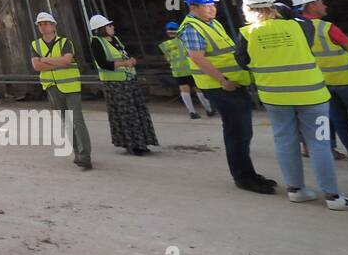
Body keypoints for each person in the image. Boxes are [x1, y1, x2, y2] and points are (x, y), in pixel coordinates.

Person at [237, 0, 348, 209]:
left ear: (247, 10)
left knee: (285, 141)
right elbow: (307, 38)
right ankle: (333, 197)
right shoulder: (300, 26)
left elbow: (242, 61)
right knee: (320, 144)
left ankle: (296, 190)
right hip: (312, 96)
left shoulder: (246, 34)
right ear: (274, 5)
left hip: (275, 98)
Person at [178, 0, 276, 194]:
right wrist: (223, 80)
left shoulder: (211, 24)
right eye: (207, 5)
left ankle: (248, 173)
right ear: (192, 7)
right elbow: (197, 57)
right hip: (221, 87)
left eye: (213, 4)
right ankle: (243, 177)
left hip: (232, 84)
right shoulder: (192, 28)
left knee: (243, 132)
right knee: (237, 133)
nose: (212, 9)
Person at [291, 0, 348, 174]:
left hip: (324, 84)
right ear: (311, 6)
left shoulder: (297, 30)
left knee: (340, 122)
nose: (324, 5)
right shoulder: (326, 27)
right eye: (320, 2)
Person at [89, 14, 159, 155]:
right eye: (109, 25)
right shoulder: (96, 42)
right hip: (115, 84)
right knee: (126, 113)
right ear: (101, 28)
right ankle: (133, 144)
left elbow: (122, 54)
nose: (112, 27)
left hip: (128, 80)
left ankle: (142, 141)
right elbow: (102, 63)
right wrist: (124, 63)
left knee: (137, 111)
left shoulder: (115, 40)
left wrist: (130, 60)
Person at [29, 11, 91, 170]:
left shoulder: (65, 42)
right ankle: (77, 153)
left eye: (46, 23)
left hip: (70, 86)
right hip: (52, 88)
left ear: (54, 25)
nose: (43, 26)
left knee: (77, 120)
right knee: (67, 122)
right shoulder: (35, 45)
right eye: (40, 24)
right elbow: (37, 66)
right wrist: (57, 63)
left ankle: (85, 156)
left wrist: (46, 60)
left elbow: (67, 60)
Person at [159, 19, 214, 118]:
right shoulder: (185, 40)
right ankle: (209, 109)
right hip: (191, 69)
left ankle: (192, 112)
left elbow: (167, 59)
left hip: (177, 71)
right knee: (198, 89)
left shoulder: (164, 45)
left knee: (184, 90)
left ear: (167, 31)